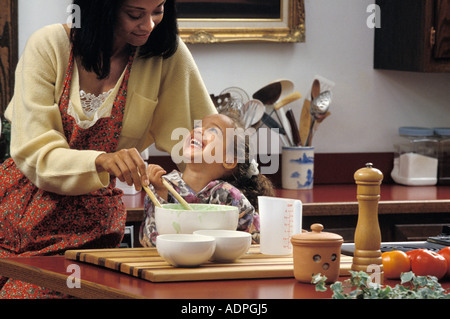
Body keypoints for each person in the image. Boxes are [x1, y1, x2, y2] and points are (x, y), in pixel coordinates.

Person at [0, 0, 216, 298]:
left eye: (158, 10)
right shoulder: (49, 45)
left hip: (85, 230)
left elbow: (205, 137)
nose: (150, 25)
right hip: (11, 209)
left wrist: (230, 200)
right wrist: (102, 160)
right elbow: (34, 153)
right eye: (134, 14)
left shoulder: (167, 56)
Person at [140, 109, 275, 247]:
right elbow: (151, 241)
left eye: (214, 131)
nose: (198, 131)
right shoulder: (161, 185)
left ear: (228, 160)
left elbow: (254, 238)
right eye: (197, 127)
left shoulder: (229, 197)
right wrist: (161, 194)